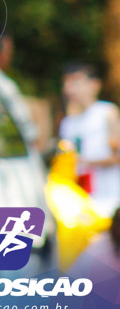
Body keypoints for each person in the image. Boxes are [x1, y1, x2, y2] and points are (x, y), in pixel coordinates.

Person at [59, 62, 120, 217]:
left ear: (94, 84)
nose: (69, 88)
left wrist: (85, 162)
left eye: (75, 82)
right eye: (66, 83)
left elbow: (117, 156)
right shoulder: (67, 123)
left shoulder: (107, 112)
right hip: (79, 204)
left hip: (110, 200)